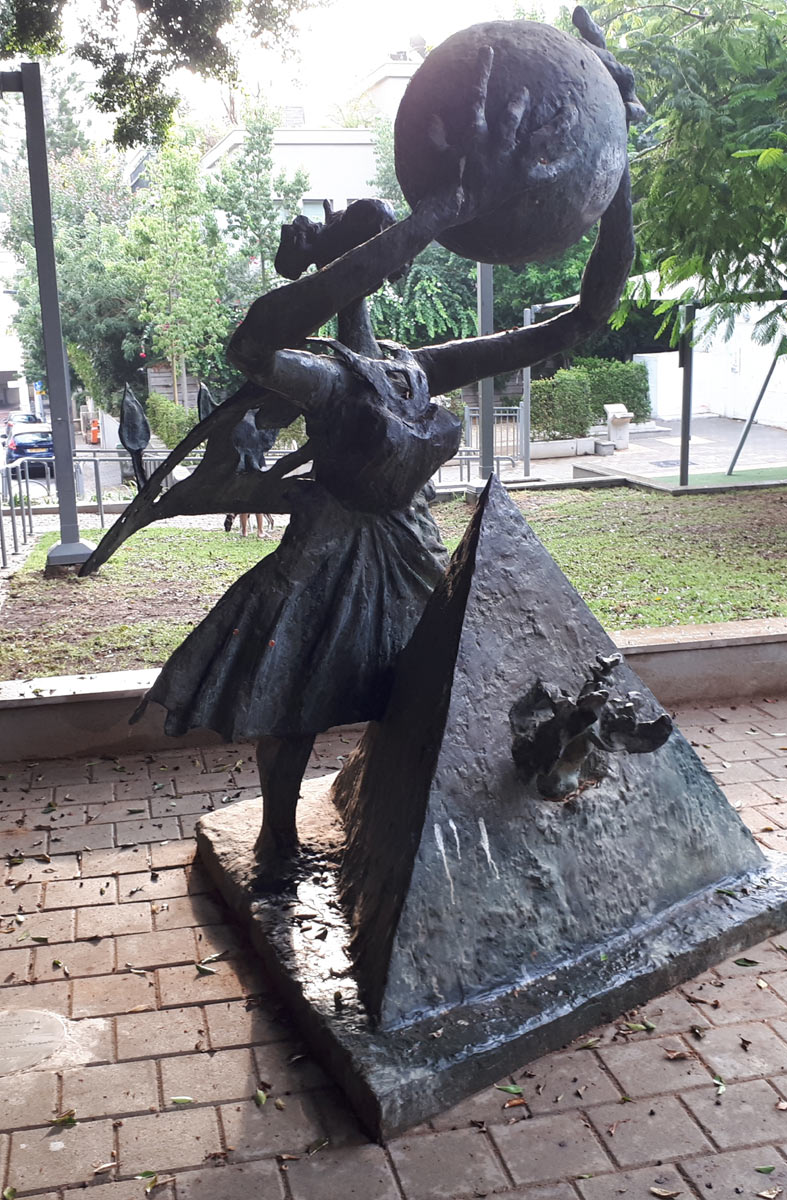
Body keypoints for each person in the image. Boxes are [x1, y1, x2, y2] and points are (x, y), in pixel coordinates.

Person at [119, 12, 643, 877]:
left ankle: (411, 822)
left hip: (407, 549)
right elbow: (252, 346)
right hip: (329, 557)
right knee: (300, 696)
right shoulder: (328, 378)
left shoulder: (416, 368)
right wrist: (428, 218)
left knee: (429, 689)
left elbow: (583, 320)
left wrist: (615, 165)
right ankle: (280, 835)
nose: (376, 268)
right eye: (367, 254)